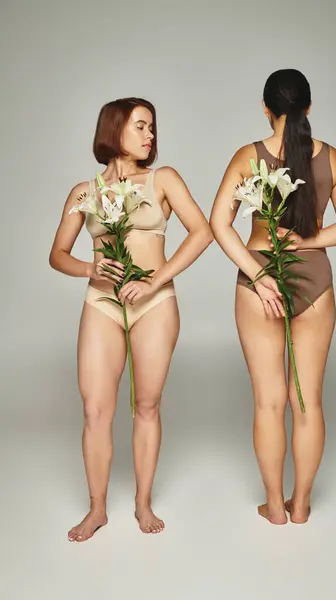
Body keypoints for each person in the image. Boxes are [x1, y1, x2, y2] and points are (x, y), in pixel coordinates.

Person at [49, 97, 213, 540]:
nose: (150, 135)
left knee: (146, 405)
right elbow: (57, 255)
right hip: (101, 304)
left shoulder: (164, 179)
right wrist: (89, 268)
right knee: (95, 410)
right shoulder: (84, 192)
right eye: (140, 126)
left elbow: (203, 232)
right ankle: (97, 509)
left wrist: (157, 279)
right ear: (114, 130)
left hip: (154, 305)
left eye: (152, 127)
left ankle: (142, 504)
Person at [210, 69, 336, 524]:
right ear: (309, 108)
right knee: (308, 402)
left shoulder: (248, 156)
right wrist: (308, 242)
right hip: (315, 283)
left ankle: (274, 507)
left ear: (265, 107)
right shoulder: (330, 157)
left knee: (269, 402)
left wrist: (258, 274)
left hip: (259, 283)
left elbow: (220, 225)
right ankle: (301, 507)